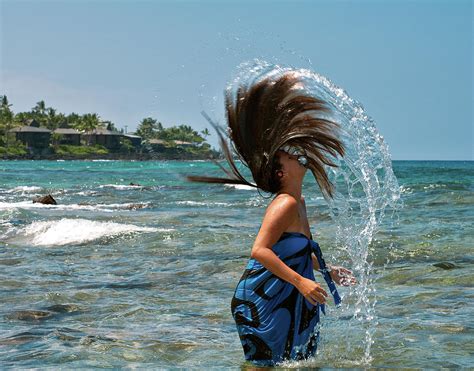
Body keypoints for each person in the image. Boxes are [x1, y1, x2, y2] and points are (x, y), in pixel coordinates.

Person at [187, 71, 356, 366]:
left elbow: (298, 252)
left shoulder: (298, 203)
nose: (296, 153)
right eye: (289, 153)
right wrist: (302, 282)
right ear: (282, 171)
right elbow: (260, 251)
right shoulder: (285, 204)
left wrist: (329, 271)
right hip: (261, 300)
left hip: (283, 296)